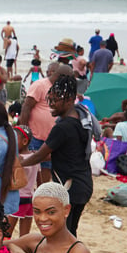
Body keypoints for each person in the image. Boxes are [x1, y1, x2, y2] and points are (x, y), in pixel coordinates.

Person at [20, 74, 92, 235]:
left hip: (71, 185)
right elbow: (59, 153)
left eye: (55, 100)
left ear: (69, 100)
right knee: (70, 230)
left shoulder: (62, 128)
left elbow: (40, 155)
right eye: (49, 100)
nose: (50, 104)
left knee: (63, 233)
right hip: (83, 182)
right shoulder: (81, 119)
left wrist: (19, 163)